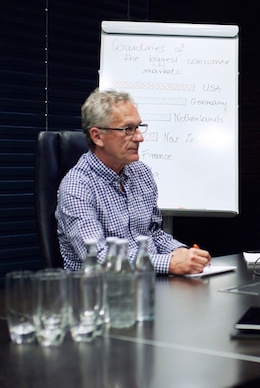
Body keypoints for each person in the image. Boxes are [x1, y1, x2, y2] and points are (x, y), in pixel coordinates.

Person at [56, 88, 211, 275]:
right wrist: (170, 263)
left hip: (149, 285)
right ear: (97, 136)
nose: (139, 137)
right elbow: (100, 259)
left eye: (138, 127)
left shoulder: (141, 172)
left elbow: (153, 233)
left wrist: (181, 252)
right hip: (99, 294)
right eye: (127, 129)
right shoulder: (76, 188)